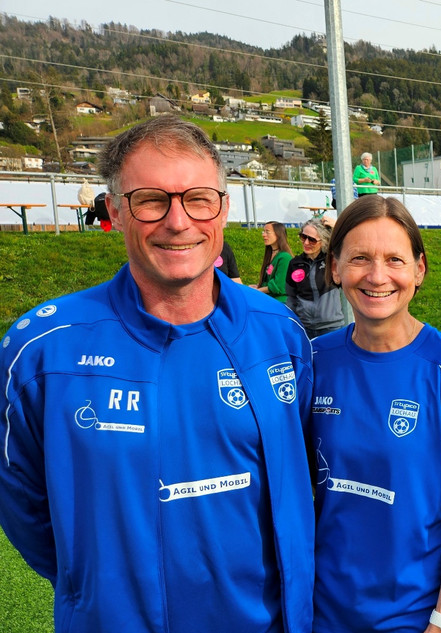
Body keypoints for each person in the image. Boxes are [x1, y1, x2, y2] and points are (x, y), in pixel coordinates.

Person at [0, 116, 315, 632]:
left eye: (198, 198)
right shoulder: (41, 351)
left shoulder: (278, 332)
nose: (178, 221)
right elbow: (23, 506)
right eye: (151, 200)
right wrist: (97, 583)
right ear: (117, 212)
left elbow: (300, 475)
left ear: (223, 208)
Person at [310, 195, 441, 633]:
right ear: (335, 268)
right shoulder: (312, 362)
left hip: (415, 616)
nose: (377, 276)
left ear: (419, 270)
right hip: (322, 611)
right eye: (360, 259)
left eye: (394, 259)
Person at [286, 219, 348, 338]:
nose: (306, 242)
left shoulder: (333, 261)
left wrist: (336, 227)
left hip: (331, 327)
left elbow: (350, 247)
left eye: (312, 240)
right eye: (303, 237)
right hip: (304, 327)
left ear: (323, 241)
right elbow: (291, 296)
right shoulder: (295, 263)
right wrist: (292, 321)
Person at [252, 221, 292, 302]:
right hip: (269, 299)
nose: (263, 234)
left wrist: (258, 291)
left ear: (278, 234)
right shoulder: (271, 254)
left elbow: (279, 286)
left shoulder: (285, 257)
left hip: (279, 302)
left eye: (267, 232)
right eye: (263, 231)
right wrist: (257, 287)